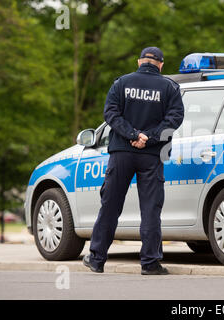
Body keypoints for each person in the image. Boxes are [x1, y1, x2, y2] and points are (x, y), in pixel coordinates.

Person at [83, 47, 184, 275]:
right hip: (152, 155)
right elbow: (175, 118)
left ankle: (97, 259)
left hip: (121, 153)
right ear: (160, 64)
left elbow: (110, 113)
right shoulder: (170, 88)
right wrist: (149, 137)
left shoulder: (121, 83)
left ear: (139, 62)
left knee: (110, 206)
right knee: (150, 209)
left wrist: (131, 134)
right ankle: (150, 263)